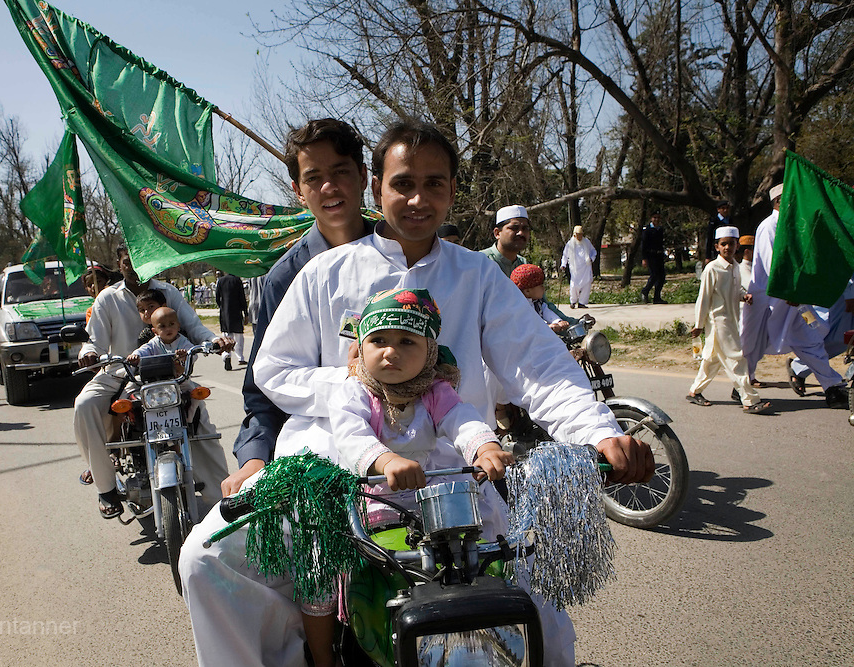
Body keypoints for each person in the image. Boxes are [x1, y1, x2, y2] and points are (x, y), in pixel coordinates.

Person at [182, 119, 653, 667]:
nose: (417, 198)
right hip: (332, 475)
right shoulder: (322, 274)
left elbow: (539, 367)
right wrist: (360, 385)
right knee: (205, 560)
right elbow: (275, 369)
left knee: (541, 620)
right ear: (376, 187)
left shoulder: (476, 275)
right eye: (402, 183)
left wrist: (599, 431)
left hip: (456, 478)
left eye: (435, 184)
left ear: (452, 192)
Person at [299, 288, 514, 667]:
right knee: (318, 567)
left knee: (491, 553)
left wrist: (485, 447)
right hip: (370, 501)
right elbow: (352, 436)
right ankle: (322, 657)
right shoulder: (354, 391)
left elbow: (460, 420)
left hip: (434, 501)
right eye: (378, 340)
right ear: (362, 346)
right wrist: (385, 461)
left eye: (406, 342)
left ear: (430, 351)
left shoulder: (435, 391)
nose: (390, 351)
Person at [220, 118, 376, 498]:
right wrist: (255, 459)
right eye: (313, 177)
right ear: (298, 190)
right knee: (199, 556)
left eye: (341, 171)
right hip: (318, 463)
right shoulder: (285, 278)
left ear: (364, 176)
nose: (329, 187)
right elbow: (262, 393)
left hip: (409, 453)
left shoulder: (404, 255)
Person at [74, 243, 233, 518]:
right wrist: (89, 354)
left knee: (199, 421)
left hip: (169, 374)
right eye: (128, 263)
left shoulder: (170, 292)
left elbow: (194, 328)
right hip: (121, 372)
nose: (135, 269)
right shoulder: (107, 298)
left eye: (140, 261)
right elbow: (95, 341)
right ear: (119, 264)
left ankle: (222, 497)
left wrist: (214, 341)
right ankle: (106, 488)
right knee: (85, 403)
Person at [741, 184, 848, 408]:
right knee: (753, 346)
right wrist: (789, 290)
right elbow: (773, 266)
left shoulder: (794, 225)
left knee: (810, 341)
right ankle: (741, 387)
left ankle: (833, 388)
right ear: (779, 201)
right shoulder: (769, 226)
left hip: (794, 300)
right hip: (768, 300)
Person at [685, 226, 770, 413]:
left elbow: (736, 289)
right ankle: (750, 400)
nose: (727, 248)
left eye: (731, 244)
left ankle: (694, 391)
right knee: (736, 359)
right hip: (719, 322)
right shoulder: (712, 269)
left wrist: (743, 296)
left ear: (737, 245)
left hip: (732, 319)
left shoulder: (735, 267)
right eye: (723, 244)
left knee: (712, 360)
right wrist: (699, 325)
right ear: (717, 247)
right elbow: (704, 298)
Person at [786, 271, 854, 396]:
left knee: (843, 340)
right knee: (829, 334)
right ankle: (802, 367)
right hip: (837, 291)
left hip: (842, 290)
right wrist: (850, 292)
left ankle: (801, 366)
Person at [511, 264, 570, 333]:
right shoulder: (520, 306)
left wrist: (558, 321)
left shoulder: (538, 303)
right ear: (527, 291)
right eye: (540, 286)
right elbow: (530, 321)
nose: (543, 288)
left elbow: (547, 313)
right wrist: (547, 326)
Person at [481, 204, 529, 275]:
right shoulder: (481, 261)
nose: (521, 233)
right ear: (497, 233)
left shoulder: (524, 265)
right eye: (514, 228)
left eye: (525, 229)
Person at [214, 271, 248, 370]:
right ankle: (240, 357)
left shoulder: (220, 281)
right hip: (236, 312)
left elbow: (217, 297)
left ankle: (227, 356)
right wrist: (245, 313)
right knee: (239, 337)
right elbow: (242, 298)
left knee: (227, 337)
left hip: (225, 313)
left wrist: (222, 307)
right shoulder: (237, 280)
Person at [560, 225, 597, 308]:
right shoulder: (570, 244)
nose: (579, 236)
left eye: (581, 234)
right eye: (578, 234)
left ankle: (582, 303)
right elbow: (565, 255)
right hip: (575, 268)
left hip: (586, 267)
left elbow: (593, 251)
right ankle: (573, 302)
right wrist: (563, 264)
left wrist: (591, 259)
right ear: (574, 234)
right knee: (574, 285)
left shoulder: (586, 242)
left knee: (586, 284)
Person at [640, 210, 667, 304]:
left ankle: (657, 297)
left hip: (659, 255)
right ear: (651, 218)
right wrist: (644, 258)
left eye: (658, 217)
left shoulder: (660, 229)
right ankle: (645, 291)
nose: (656, 219)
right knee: (654, 275)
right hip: (651, 255)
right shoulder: (647, 230)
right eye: (654, 217)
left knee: (662, 276)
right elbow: (643, 245)